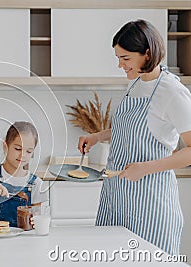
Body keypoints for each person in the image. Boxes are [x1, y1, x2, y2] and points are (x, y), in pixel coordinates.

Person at [78, 20, 191, 255]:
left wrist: (146, 168)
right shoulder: (135, 84)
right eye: (118, 57)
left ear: (147, 53)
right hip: (118, 199)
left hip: (150, 205)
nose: (120, 65)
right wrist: (98, 136)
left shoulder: (172, 91)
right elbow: (131, 129)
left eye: (126, 58)